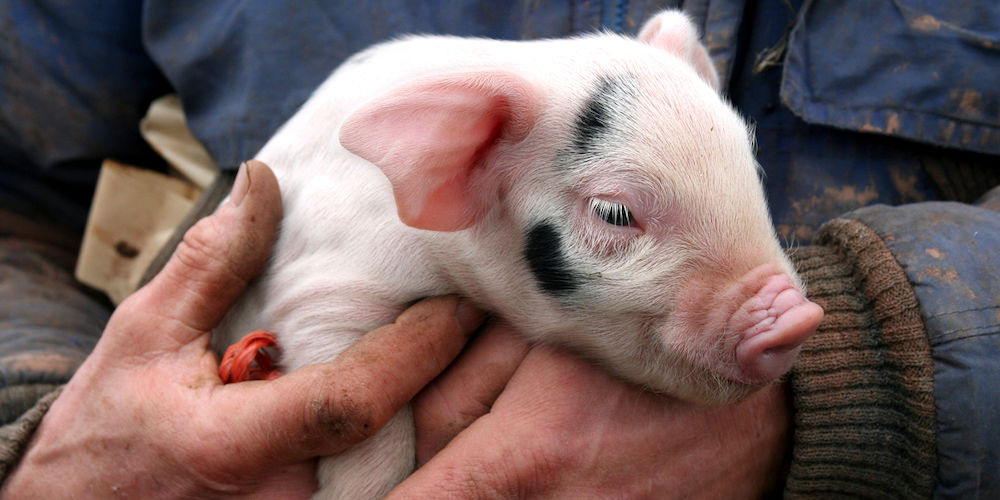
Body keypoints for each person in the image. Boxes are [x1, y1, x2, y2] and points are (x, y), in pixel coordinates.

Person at [1, 0, 997, 498]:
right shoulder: (413, 160)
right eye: (614, 214)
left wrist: (875, 350)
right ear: (456, 155)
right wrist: (37, 426)